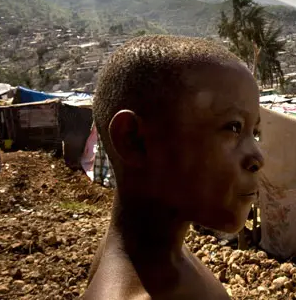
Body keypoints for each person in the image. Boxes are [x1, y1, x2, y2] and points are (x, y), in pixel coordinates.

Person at [83, 35, 264, 300]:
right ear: (134, 141)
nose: (258, 157)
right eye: (233, 127)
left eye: (255, 132)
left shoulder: (166, 256)